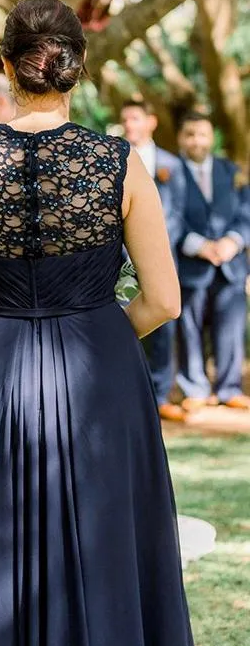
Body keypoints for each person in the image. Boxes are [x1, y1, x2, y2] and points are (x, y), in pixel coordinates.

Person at [0, 0, 210, 646]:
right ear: (75, 66)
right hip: (101, 374)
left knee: (1, 561)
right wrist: (98, 334)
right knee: (112, 548)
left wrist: (2, 342)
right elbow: (163, 298)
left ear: (5, 67)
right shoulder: (119, 162)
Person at [177, 110, 250, 411]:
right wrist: (199, 245)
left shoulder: (231, 171)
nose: (197, 141)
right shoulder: (170, 172)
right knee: (189, 328)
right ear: (182, 138)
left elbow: (246, 212)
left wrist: (233, 241)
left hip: (231, 265)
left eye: (203, 134)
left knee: (231, 327)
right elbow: (166, 218)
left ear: (211, 138)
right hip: (190, 264)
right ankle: (194, 388)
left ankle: (229, 388)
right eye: (191, 134)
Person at [121, 99, 187, 421]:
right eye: (125, 120)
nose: (129, 125)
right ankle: (133, 395)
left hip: (161, 255)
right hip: (118, 262)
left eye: (135, 118)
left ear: (151, 121)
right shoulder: (113, 161)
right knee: (125, 323)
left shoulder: (171, 164)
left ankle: (161, 395)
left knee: (162, 326)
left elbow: (176, 211)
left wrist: (151, 247)